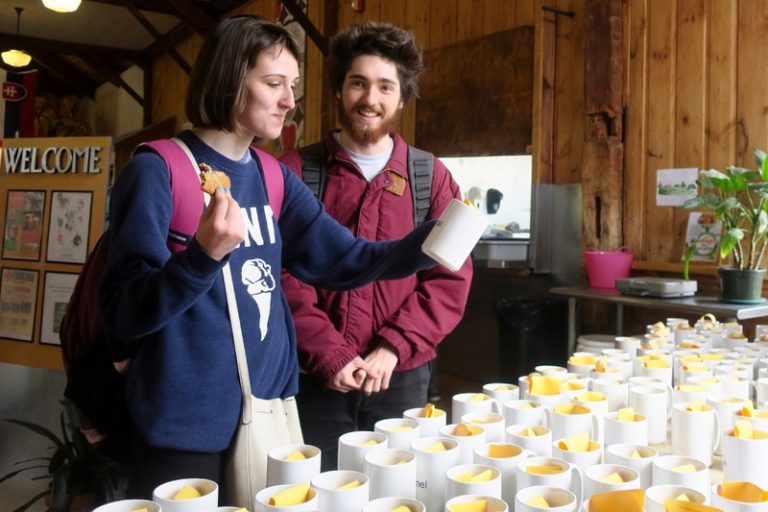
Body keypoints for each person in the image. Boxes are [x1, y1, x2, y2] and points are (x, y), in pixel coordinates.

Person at [98, 15, 438, 499]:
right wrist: (201, 257)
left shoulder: (271, 175)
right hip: (183, 428)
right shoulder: (158, 170)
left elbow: (345, 260)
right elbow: (122, 310)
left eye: (292, 86)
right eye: (274, 83)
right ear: (230, 78)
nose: (288, 101)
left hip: (269, 416)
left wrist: (433, 242)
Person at [280, 21, 473, 470]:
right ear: (338, 91)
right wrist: (328, 352)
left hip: (401, 376)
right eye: (358, 83)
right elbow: (278, 275)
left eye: (386, 86)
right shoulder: (293, 172)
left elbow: (451, 278)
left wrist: (392, 347)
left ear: (402, 98)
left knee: (399, 492)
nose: (370, 99)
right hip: (315, 382)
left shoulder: (433, 178)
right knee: (316, 492)